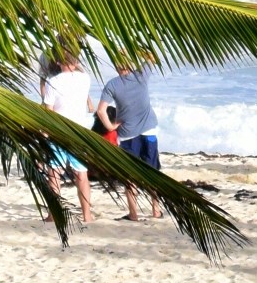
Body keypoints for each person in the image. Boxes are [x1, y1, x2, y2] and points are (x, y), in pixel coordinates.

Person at [35, 52, 95, 226]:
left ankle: (54, 214)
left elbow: (49, 112)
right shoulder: (85, 79)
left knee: (54, 174)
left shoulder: (53, 82)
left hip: (59, 132)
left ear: (58, 61)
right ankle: (87, 215)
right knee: (81, 175)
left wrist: (44, 133)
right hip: (79, 132)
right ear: (76, 61)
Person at [100, 57, 164, 221]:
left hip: (127, 134)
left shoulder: (112, 84)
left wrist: (110, 127)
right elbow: (150, 56)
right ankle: (155, 210)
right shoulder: (140, 75)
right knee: (151, 171)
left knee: (130, 175)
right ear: (131, 63)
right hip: (149, 130)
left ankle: (133, 214)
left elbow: (101, 111)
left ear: (116, 66)